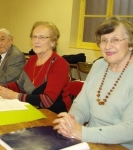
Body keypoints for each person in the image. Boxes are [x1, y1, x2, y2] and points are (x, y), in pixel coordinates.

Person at [53, 16, 133, 149]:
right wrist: (72, 121)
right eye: (104, 40)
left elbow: (130, 128)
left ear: (130, 44)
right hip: (92, 141)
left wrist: (83, 132)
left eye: (115, 40)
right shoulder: (99, 65)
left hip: (121, 146)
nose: (108, 46)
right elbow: (81, 104)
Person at [0, 22, 71, 114]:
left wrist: (15, 96)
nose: (36, 41)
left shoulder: (59, 64)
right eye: (34, 37)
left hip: (55, 116)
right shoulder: (32, 60)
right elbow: (20, 86)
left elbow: (47, 101)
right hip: (33, 110)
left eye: (42, 37)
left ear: (53, 42)